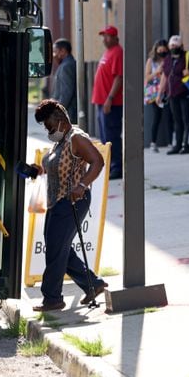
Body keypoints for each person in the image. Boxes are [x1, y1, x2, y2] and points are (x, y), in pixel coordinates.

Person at [30, 99, 107, 311]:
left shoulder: (76, 138)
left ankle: (52, 299)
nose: (48, 130)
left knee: (56, 249)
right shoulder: (61, 141)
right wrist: (39, 170)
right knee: (60, 248)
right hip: (57, 202)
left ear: (62, 120)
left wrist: (82, 185)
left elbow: (98, 161)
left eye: (49, 126)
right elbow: (58, 165)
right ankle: (93, 284)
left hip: (73, 201)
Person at [159, 34, 189, 155]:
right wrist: (160, 93)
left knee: (186, 119)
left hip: (186, 93)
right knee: (177, 119)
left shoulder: (187, 56)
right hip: (172, 94)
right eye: (172, 45)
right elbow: (165, 76)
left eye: (176, 45)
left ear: (181, 46)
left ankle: (187, 144)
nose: (174, 47)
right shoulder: (168, 59)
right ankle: (178, 144)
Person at [90, 26, 123, 179]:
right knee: (104, 137)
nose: (104, 39)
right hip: (101, 102)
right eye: (103, 36)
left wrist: (109, 99)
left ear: (115, 37)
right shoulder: (108, 52)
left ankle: (117, 167)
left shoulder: (117, 52)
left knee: (112, 136)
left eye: (107, 36)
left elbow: (118, 77)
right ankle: (109, 166)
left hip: (111, 104)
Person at [144, 39, 168, 152]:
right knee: (157, 116)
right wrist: (157, 71)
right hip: (154, 91)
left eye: (164, 50)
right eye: (160, 49)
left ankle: (170, 140)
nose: (162, 52)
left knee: (169, 115)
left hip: (167, 90)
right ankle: (153, 142)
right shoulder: (151, 61)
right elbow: (147, 77)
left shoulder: (168, 60)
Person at [51, 38, 77, 123]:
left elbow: (66, 92)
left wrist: (58, 110)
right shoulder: (65, 64)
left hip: (67, 113)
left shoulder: (66, 66)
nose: (54, 55)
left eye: (56, 51)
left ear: (63, 51)